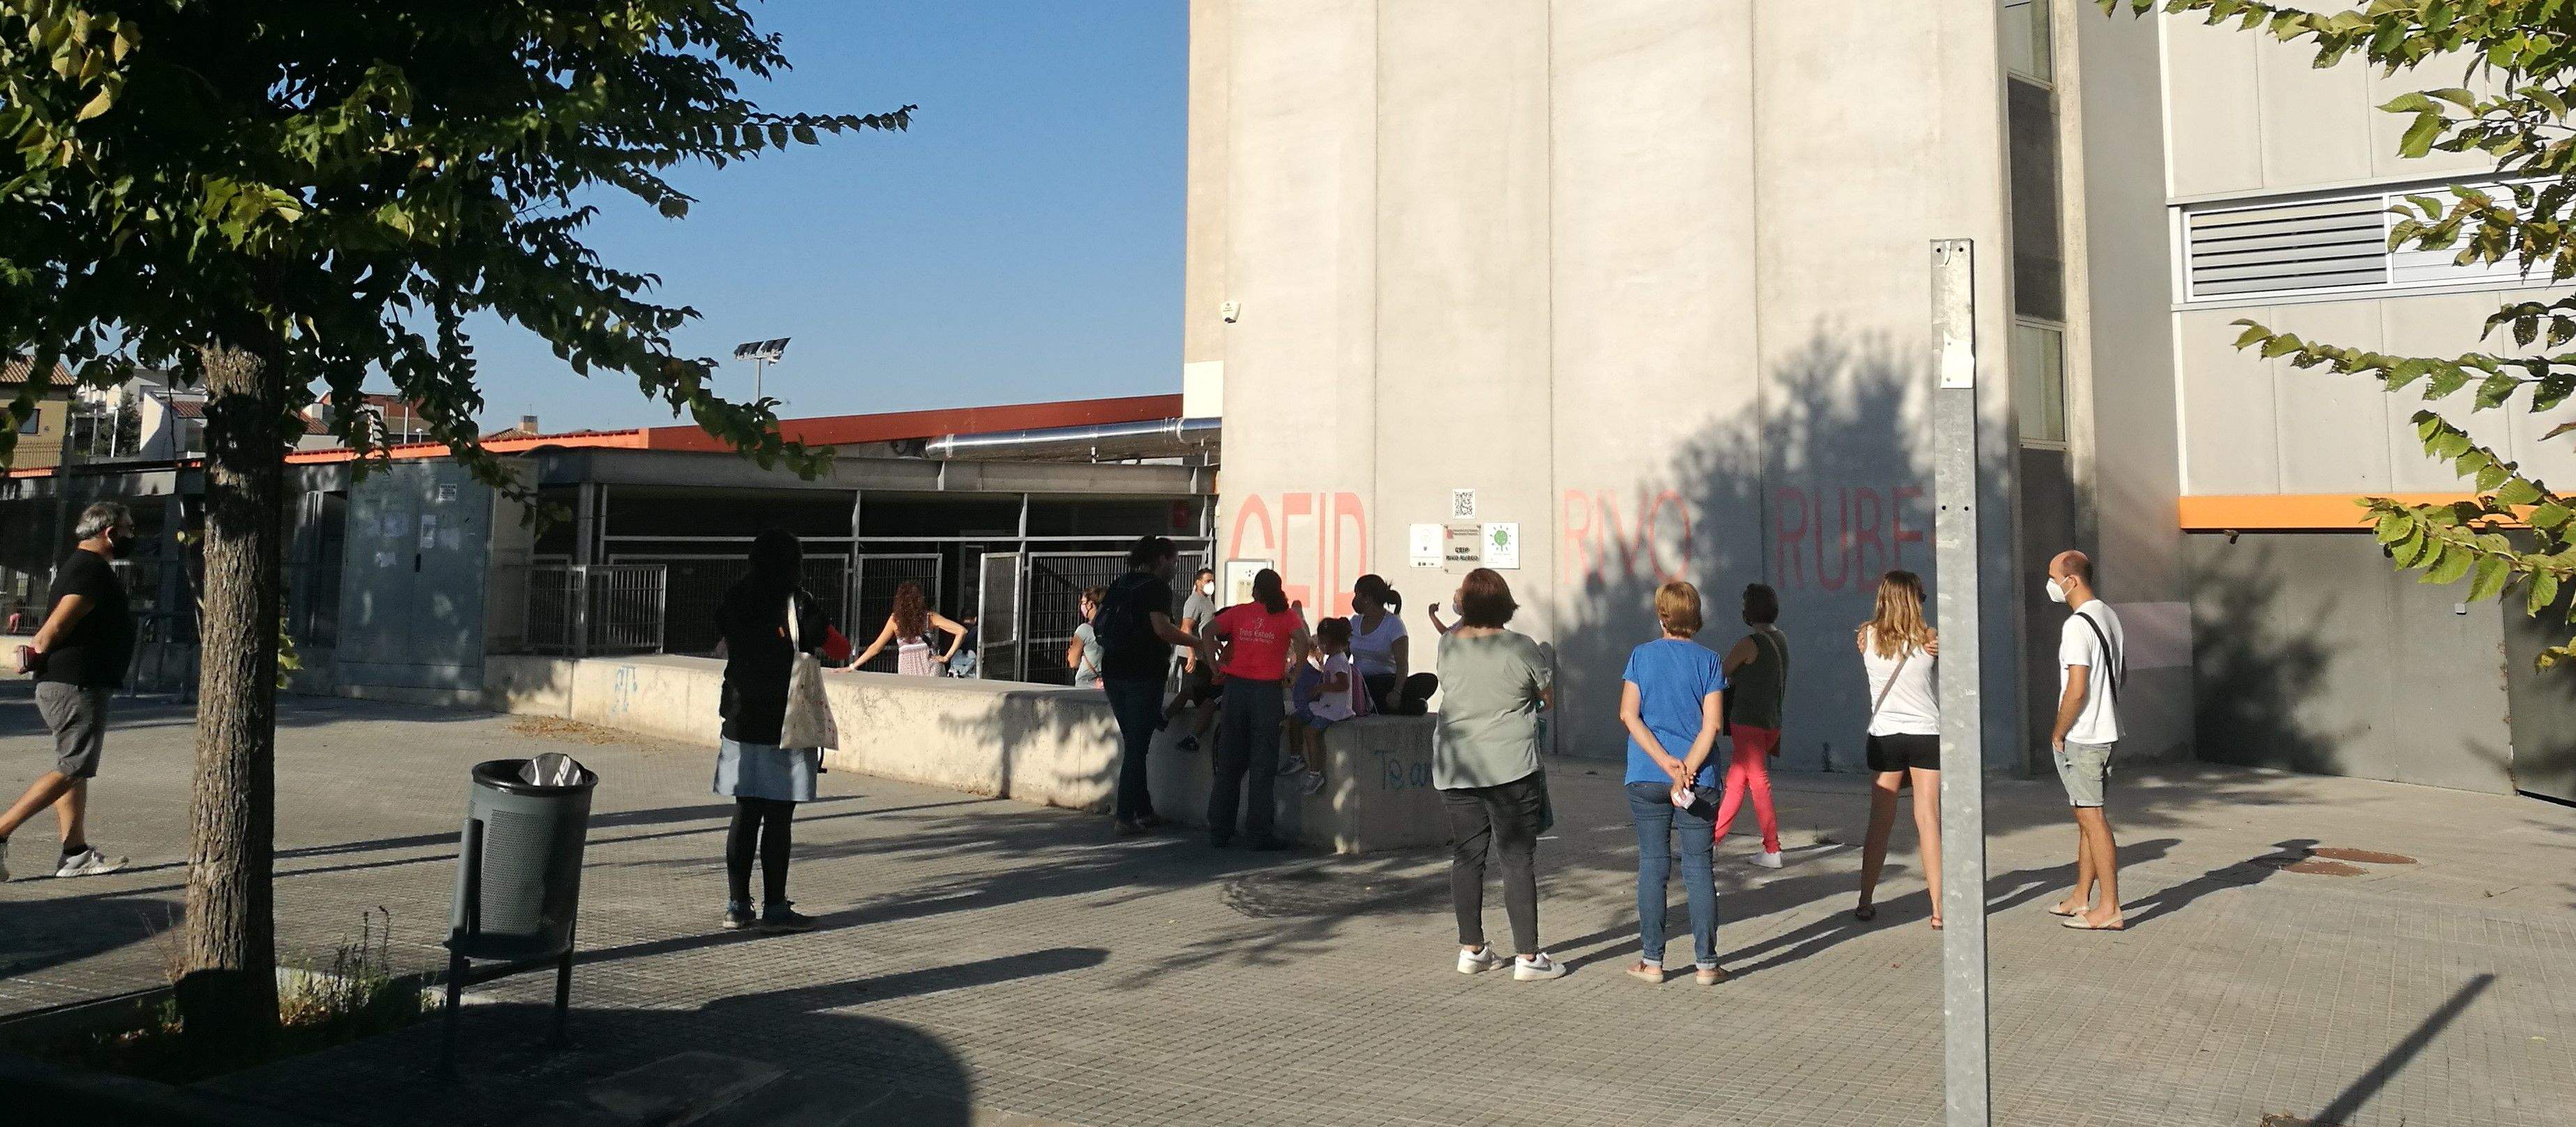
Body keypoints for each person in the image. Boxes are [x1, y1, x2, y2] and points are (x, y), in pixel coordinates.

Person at [711, 529, 848, 932]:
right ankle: (775, 908)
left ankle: (737, 906)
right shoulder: (798, 603)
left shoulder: (736, 597)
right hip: (787, 723)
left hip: (740, 719)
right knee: (779, 818)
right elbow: (838, 647)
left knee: (745, 811)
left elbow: (724, 638)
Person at [1434, 568, 1564, 981]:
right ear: (1506, 603)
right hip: (1511, 767)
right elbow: (1548, 696)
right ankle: (1528, 957)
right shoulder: (1521, 647)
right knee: (1516, 859)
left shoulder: (1448, 645)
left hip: (1457, 766)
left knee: (1467, 857)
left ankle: (1471, 949)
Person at [0, 502, 139, 882]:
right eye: (127, 529)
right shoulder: (90, 571)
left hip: (75, 683)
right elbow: (57, 626)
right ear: (109, 532)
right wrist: (34, 649)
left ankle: (74, 853)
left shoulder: (81, 566)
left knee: (73, 767)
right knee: (74, 767)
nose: (131, 536)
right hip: (76, 685)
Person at [1616, 581, 1729, 985]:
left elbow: (1630, 715)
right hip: (1700, 781)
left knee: (1652, 863)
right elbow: (1712, 724)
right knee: (1699, 867)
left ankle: (1652, 961)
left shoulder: (1641, 657)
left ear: (1662, 615)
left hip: (1647, 774)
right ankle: (1706, 965)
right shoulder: (1711, 661)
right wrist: (1688, 769)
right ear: (1695, 616)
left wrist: (1666, 763)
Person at [1096, 536, 1206, 835]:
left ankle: (1143, 811)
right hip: (1143, 674)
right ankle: (1125, 815)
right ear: (1161, 560)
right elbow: (1162, 629)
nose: (1175, 567)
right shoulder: (1157, 588)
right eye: (1173, 561)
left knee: (1134, 740)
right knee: (1137, 745)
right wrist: (1198, 642)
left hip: (1115, 671)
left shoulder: (1122, 582)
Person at [1854, 570, 1942, 927]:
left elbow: (1866, 633)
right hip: (1926, 734)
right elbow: (1933, 640)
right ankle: (1938, 909)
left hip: (1886, 736)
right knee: (1929, 819)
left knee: (1880, 823)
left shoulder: (1867, 637)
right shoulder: (1930, 640)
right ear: (1914, 601)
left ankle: (1865, 899)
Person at [2047, 550, 2129, 932]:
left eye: (2053, 577)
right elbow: (2120, 675)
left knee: (2092, 819)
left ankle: (2109, 907)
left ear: (2071, 580)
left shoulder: (2076, 625)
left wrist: (2059, 731)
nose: (2051, 586)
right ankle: (2082, 896)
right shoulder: (2109, 616)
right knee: (2085, 815)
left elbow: (2076, 688)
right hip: (2107, 732)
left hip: (2084, 737)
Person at [1205, 569, 1311, 849]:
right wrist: (1295, 674)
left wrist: (1215, 666)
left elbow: (1207, 631)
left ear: (1256, 590)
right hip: (1267, 693)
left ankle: (1219, 829)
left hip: (1236, 690)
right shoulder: (1287, 616)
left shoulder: (1239, 613)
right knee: (1263, 765)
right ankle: (1259, 833)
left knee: (1229, 762)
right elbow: (1302, 642)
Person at [1715, 583, 1790, 868]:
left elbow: (1724, 670)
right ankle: (1712, 841)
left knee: (1758, 782)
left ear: (1748, 610)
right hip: (1772, 722)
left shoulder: (1750, 643)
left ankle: (1772, 849)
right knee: (1736, 781)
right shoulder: (1781, 639)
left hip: (1748, 722)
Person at [1286, 616, 1363, 796]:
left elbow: (1343, 685)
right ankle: (1296, 757)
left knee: (1311, 732)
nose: (1319, 645)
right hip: (1324, 704)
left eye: (1322, 641)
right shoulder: (1332, 660)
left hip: (1335, 710)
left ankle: (1316, 774)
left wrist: (1323, 687)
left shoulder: (1339, 661)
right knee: (1296, 719)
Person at [851, 580, 966, 676]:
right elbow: (962, 631)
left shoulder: (895, 620)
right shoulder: (929, 617)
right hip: (930, 669)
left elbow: (876, 647)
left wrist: (852, 666)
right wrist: (946, 658)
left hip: (906, 671)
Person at [1166, 568, 1222, 749]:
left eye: (1212, 580)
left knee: (1195, 691)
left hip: (1202, 656)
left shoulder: (1207, 602)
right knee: (1202, 693)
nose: (1210, 584)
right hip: (1193, 656)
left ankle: (1164, 718)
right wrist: (1191, 654)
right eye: (1207, 581)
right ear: (1198, 582)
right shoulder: (1194, 601)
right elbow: (1186, 628)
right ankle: (1166, 719)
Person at [1065, 586, 1106, 689]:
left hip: (1086, 686)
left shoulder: (1084, 630)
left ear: (1090, 605)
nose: (1081, 606)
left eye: (1082, 603)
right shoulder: (1116, 628)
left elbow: (1073, 662)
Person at [947, 612, 980, 679]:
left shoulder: (955, 629)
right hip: (971, 663)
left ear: (961, 619)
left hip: (956, 660)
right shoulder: (978, 630)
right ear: (975, 619)